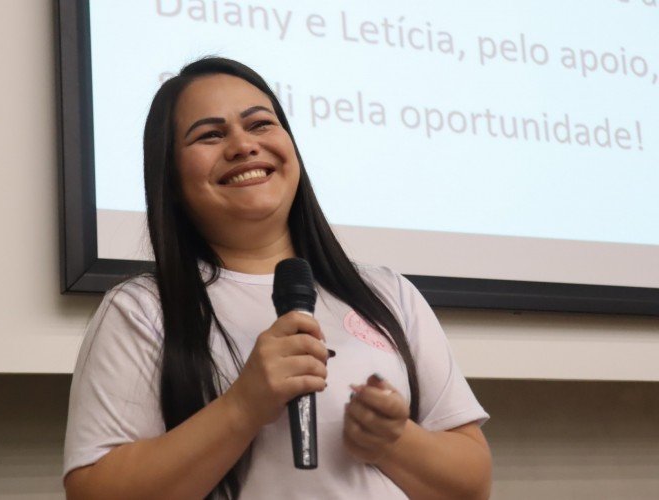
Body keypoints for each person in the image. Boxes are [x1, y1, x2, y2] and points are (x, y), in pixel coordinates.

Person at [63, 57, 491, 500]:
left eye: (261, 124)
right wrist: (243, 406)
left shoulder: (387, 293)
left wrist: (396, 440)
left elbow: (473, 484)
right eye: (210, 134)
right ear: (169, 177)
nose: (244, 146)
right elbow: (94, 491)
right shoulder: (142, 309)